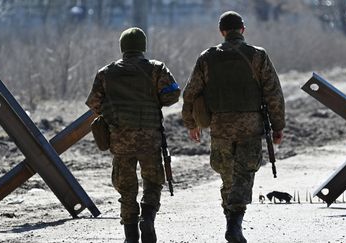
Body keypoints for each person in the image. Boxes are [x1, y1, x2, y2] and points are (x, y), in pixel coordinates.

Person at [182, 11, 285, 243]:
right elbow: (274, 95)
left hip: (220, 126)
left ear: (222, 32)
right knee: (244, 175)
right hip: (250, 126)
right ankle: (234, 224)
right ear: (243, 30)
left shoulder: (207, 58)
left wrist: (191, 124)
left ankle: (231, 221)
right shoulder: (258, 56)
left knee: (228, 177)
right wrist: (278, 126)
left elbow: (190, 94)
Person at [86, 27, 180, 243]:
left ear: (122, 47)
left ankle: (130, 236)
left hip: (120, 140)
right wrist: (154, 100)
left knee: (126, 188)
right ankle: (147, 218)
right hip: (150, 138)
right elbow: (173, 94)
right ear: (142, 47)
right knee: (154, 181)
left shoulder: (105, 73)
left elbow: (94, 104)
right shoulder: (156, 68)